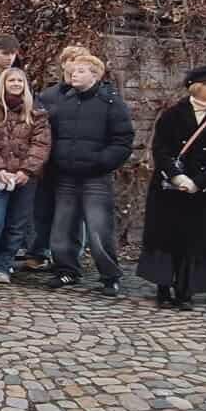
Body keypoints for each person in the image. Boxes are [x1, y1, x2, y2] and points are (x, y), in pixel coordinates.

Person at [138, 65, 206, 310]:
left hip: (202, 190)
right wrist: (177, 177)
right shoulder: (172, 114)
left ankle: (185, 290)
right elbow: (161, 149)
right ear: (193, 86)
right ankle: (163, 286)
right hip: (168, 188)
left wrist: (198, 182)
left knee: (195, 239)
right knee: (165, 236)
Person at [45, 52, 134, 296]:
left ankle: (110, 276)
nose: (74, 74)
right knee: (62, 227)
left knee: (99, 228)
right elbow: (52, 135)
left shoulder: (111, 103)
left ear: (95, 75)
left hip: (96, 177)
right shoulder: (64, 101)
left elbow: (123, 140)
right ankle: (66, 270)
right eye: (72, 71)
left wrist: (101, 162)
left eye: (80, 71)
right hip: (66, 175)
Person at [24, 45, 102, 272]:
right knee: (43, 209)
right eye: (71, 60)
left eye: (80, 60)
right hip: (50, 161)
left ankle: (69, 257)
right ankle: (38, 251)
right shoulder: (49, 96)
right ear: (63, 64)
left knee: (74, 214)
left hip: (77, 164)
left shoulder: (96, 96)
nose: (75, 65)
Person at [0, 67, 53, 283]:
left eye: (19, 81)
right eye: (11, 81)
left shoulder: (37, 113)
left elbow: (41, 144)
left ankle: (3, 266)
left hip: (26, 178)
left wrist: (26, 171)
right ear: (4, 84)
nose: (16, 84)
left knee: (16, 225)